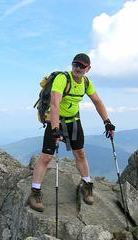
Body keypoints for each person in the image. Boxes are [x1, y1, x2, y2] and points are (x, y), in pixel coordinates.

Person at [28, 53, 116, 212]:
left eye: (82, 66)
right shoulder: (62, 79)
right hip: (55, 120)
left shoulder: (86, 82)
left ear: (88, 68)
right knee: (47, 156)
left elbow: (97, 101)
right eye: (75, 64)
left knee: (80, 153)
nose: (78, 68)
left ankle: (87, 185)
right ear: (72, 65)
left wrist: (107, 122)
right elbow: (55, 104)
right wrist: (55, 129)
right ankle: (35, 192)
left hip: (73, 121)